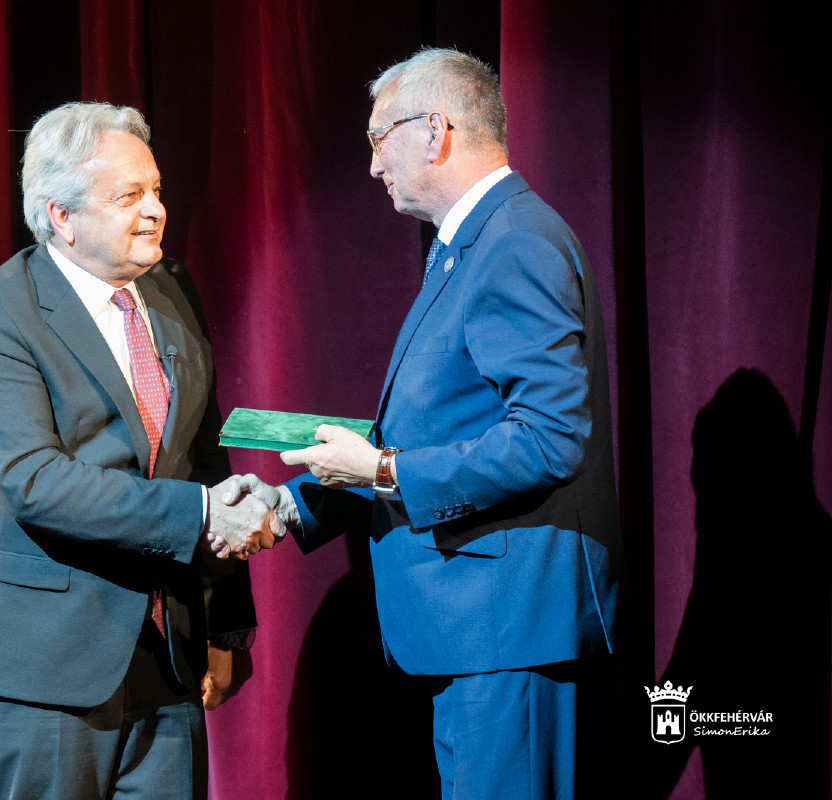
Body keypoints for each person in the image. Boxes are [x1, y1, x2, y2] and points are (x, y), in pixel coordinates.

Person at [226, 48, 623, 799]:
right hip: (477, 634)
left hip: (506, 632)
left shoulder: (514, 243)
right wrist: (290, 505)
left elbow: (548, 438)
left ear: (435, 130)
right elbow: (438, 428)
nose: (374, 164)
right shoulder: (468, 246)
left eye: (381, 138)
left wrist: (380, 471)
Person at [0, 101, 281, 800]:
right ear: (61, 216)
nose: (154, 210)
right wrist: (203, 515)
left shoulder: (171, 287)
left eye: (155, 189)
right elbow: (35, 481)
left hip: (168, 657)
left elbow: (202, 458)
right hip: (42, 664)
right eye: (128, 196)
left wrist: (225, 623)